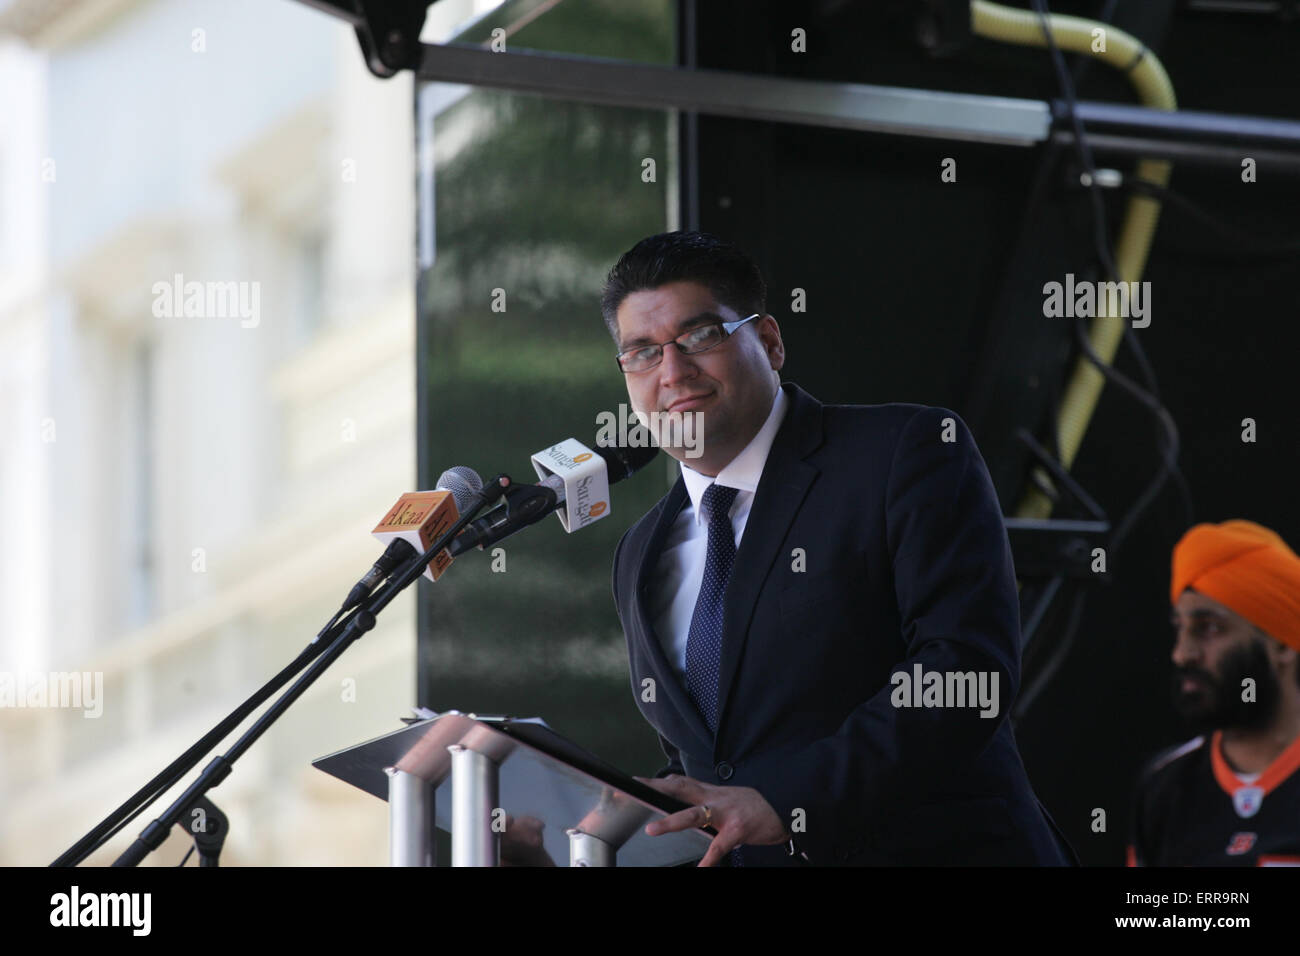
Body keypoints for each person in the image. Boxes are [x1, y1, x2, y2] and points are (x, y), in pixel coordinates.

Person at [602, 230, 1074, 866]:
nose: (673, 372)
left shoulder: (905, 452)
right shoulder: (639, 552)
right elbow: (706, 760)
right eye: (641, 354)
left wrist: (788, 799)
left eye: (701, 337)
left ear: (769, 342)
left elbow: (965, 671)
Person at [1128, 519, 1300, 866]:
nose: (1182, 653)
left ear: (1281, 644)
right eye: (1181, 629)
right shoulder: (1164, 786)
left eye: (1209, 628)